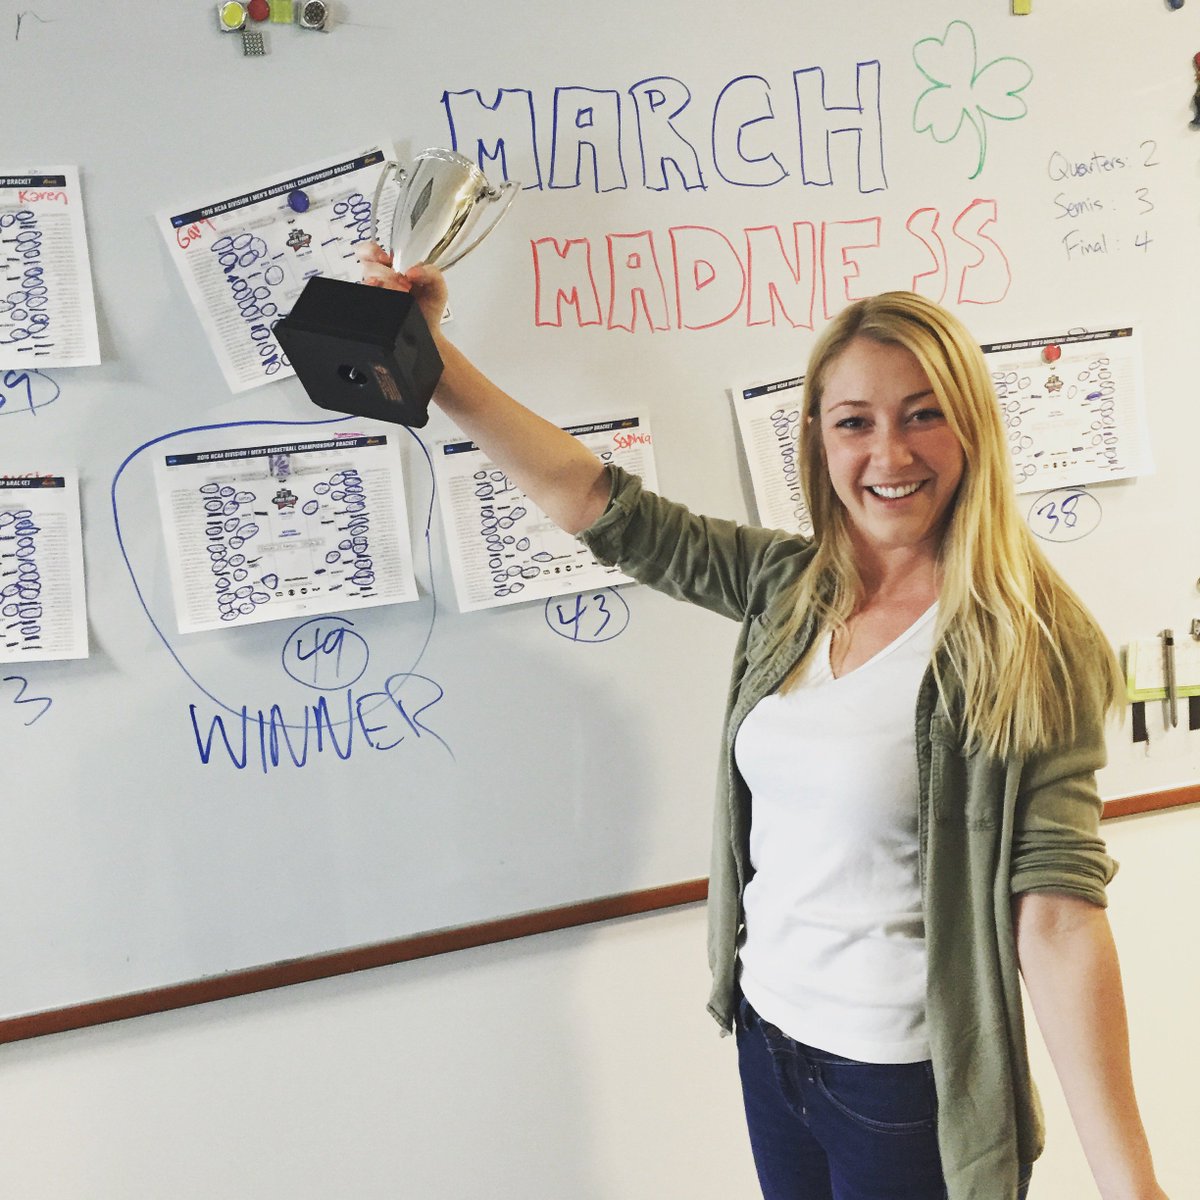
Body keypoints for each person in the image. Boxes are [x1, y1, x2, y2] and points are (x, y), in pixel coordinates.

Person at [358, 243, 1169, 1200]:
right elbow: (593, 501)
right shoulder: (789, 586)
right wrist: (431, 359)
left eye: (923, 414)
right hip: (771, 1039)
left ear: (974, 426)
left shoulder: (1030, 639)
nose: (890, 455)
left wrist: (1132, 1186)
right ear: (818, 441)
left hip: (898, 1083)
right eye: (855, 422)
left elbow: (1060, 918)